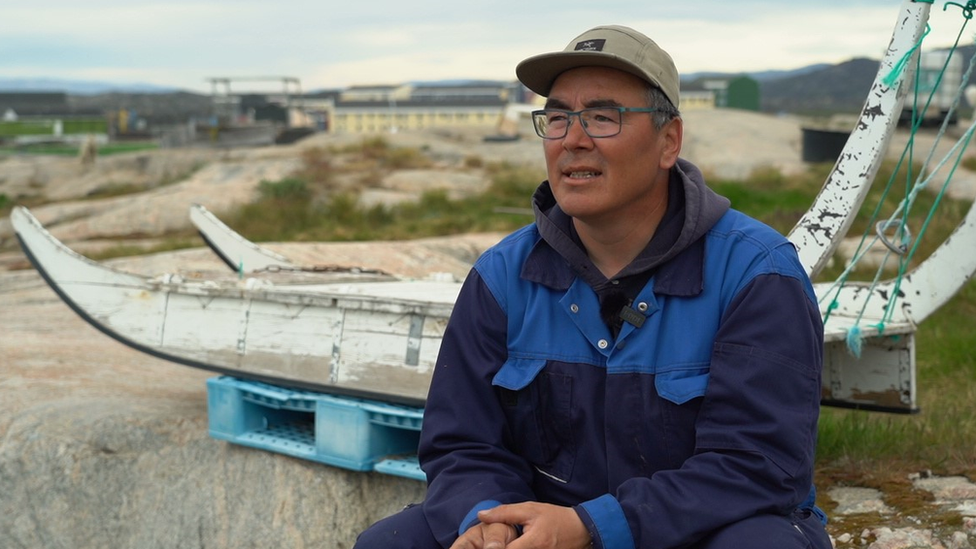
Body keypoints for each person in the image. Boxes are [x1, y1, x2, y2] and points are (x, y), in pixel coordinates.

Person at [355, 24, 831, 549]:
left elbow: (759, 465)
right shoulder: (501, 277)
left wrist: (592, 528)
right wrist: (488, 521)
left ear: (668, 140)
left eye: (603, 117)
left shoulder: (756, 275)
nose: (572, 140)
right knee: (392, 541)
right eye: (557, 117)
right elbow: (462, 444)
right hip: (544, 533)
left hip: (696, 531)